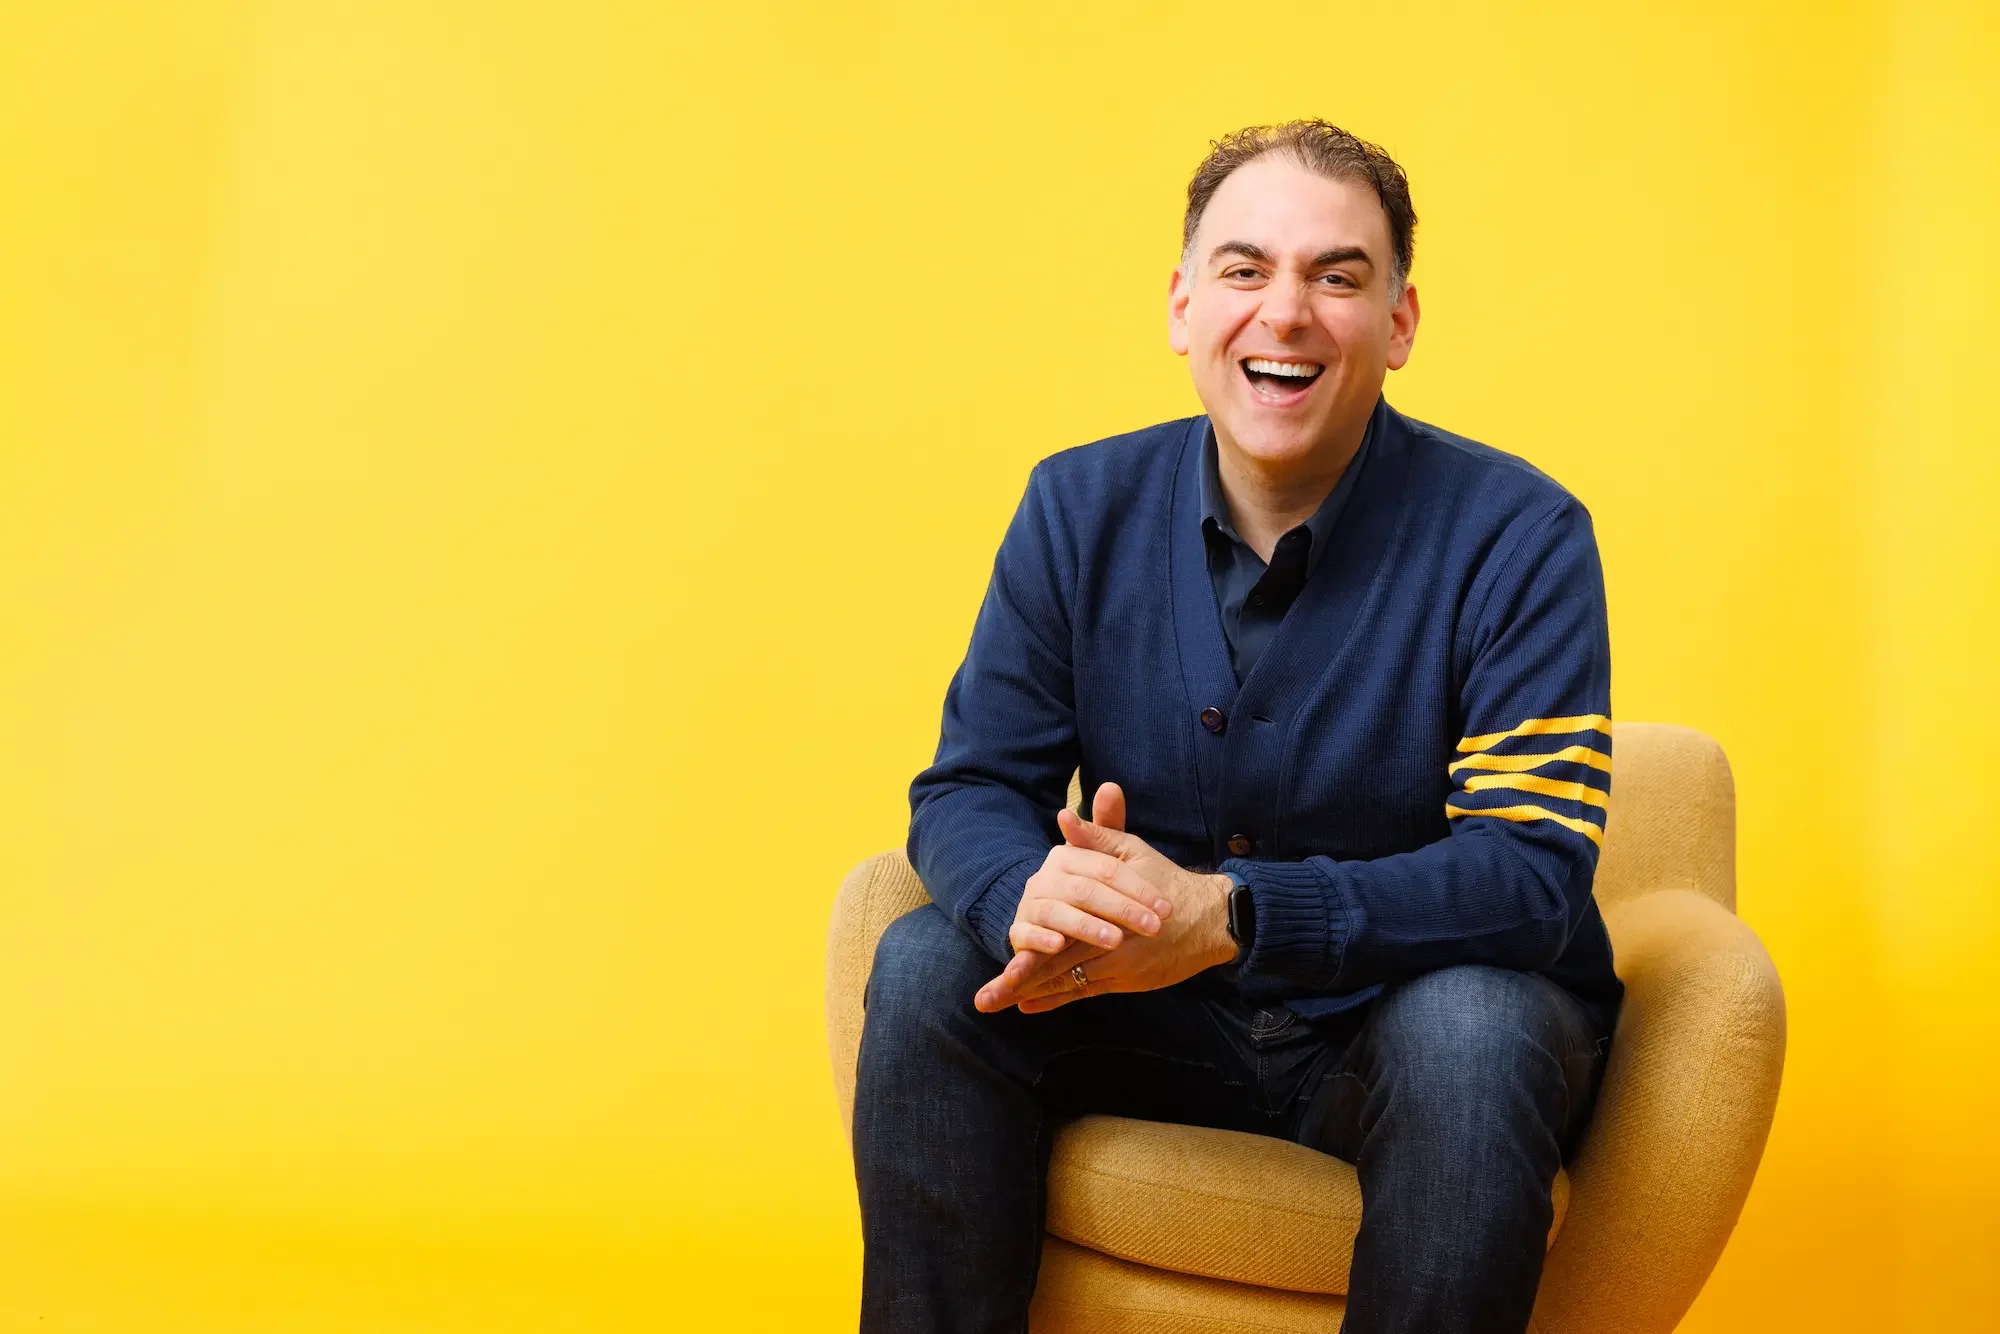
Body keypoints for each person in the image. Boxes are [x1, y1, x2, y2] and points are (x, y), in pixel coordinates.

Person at [852, 120, 1621, 1334]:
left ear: (1399, 322)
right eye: (1244, 267)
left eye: (1336, 275)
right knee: (931, 964)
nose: (1286, 311)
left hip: (1397, 1019)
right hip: (1149, 1013)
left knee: (1475, 1024)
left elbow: (1530, 873)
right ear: (1180, 303)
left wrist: (1227, 915)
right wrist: (1028, 902)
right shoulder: (1075, 505)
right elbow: (964, 788)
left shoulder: (1518, 535)